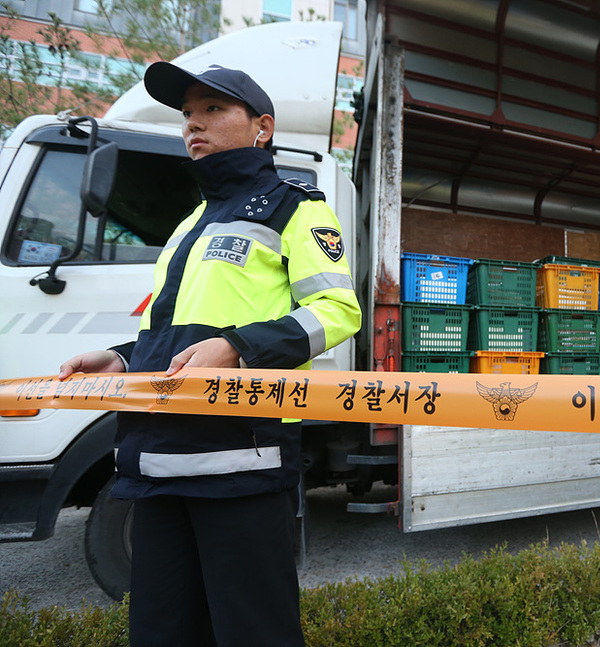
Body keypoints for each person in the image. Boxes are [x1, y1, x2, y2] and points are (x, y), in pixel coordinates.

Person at [58, 62, 361, 646]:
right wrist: (120, 360)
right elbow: (171, 331)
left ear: (262, 128)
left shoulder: (296, 209)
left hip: (240, 465)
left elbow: (336, 312)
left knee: (253, 631)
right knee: (162, 630)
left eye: (213, 109)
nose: (193, 124)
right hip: (154, 462)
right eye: (187, 114)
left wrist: (239, 348)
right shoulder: (191, 223)